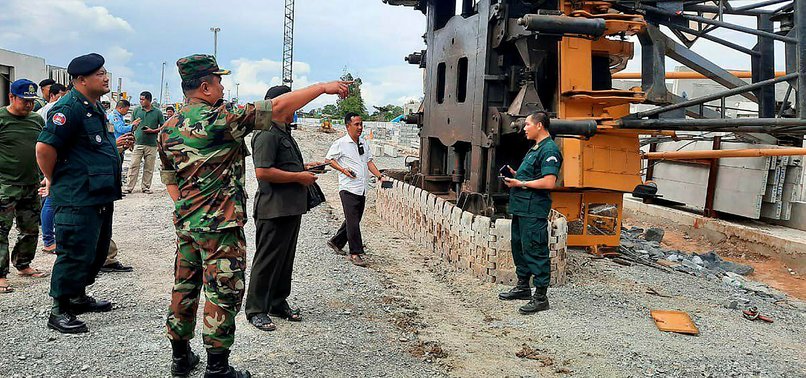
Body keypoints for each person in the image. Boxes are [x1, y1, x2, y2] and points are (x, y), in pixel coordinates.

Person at [158, 54, 349, 378]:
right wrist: (323, 87)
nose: (221, 86)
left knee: (184, 287)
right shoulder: (222, 118)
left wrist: (185, 209)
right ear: (205, 86)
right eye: (218, 81)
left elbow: (170, 178)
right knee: (222, 291)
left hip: (187, 225)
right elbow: (274, 109)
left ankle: (180, 358)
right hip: (220, 226)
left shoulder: (168, 128)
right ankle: (218, 369)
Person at [36, 53, 121, 333]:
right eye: (100, 74)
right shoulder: (69, 108)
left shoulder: (93, 107)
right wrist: (53, 178)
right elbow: (44, 149)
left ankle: (78, 296)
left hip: (98, 193)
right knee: (73, 252)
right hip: (76, 196)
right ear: (81, 80)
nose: (106, 77)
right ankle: (59, 309)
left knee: (95, 250)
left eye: (105, 72)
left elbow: (90, 149)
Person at [245, 85, 325, 332]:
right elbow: (263, 172)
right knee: (267, 259)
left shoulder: (283, 131)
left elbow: (284, 165)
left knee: (285, 259)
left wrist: (304, 168)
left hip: (290, 207)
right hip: (273, 208)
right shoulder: (267, 132)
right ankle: (256, 309)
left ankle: (278, 301)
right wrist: (299, 178)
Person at [499, 111, 563, 315]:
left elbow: (549, 182)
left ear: (539, 126)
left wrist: (521, 183)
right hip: (521, 208)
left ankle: (541, 297)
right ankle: (523, 287)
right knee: (519, 247)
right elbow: (534, 175)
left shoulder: (549, 150)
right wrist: (517, 176)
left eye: (527, 124)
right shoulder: (535, 148)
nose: (524, 128)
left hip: (533, 209)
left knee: (535, 249)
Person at [0, 79, 50, 294]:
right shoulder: (1, 119)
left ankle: (23, 264)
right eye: (24, 100)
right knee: (1, 231)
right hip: (5, 185)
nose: (29, 105)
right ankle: (0, 275)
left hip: (31, 184)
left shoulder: (36, 120)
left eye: (32, 101)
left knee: (29, 229)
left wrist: (47, 175)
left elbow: (46, 147)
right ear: (11, 97)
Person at [325, 113, 385, 267]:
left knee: (354, 220)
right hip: (347, 188)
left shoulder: (363, 143)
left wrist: (379, 176)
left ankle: (336, 242)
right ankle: (355, 253)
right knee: (353, 222)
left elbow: (369, 162)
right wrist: (343, 170)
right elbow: (329, 160)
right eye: (356, 124)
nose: (359, 127)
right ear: (347, 126)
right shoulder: (340, 143)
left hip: (361, 188)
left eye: (361, 124)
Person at [126, 91, 163, 194]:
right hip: (138, 143)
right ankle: (129, 187)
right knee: (133, 165)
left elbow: (163, 127)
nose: (141, 101)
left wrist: (153, 131)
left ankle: (145, 187)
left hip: (151, 144)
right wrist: (130, 141)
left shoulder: (158, 112)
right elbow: (131, 127)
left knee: (149, 167)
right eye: (140, 99)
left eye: (143, 99)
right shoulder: (136, 111)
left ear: (149, 100)